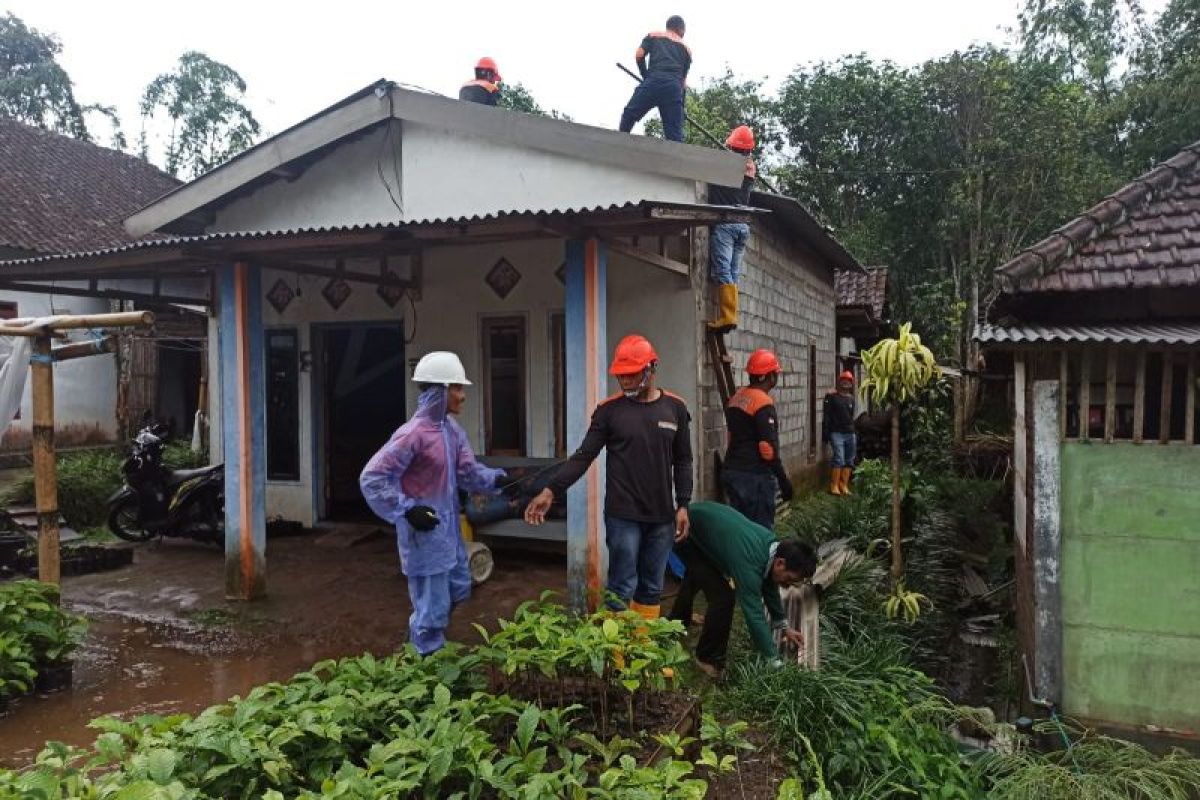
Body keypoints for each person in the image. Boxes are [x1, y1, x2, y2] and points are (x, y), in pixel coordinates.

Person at [525, 334, 692, 622]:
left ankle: (643, 656)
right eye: (621, 376)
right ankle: (618, 660)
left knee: (652, 587)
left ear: (651, 369)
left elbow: (683, 459)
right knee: (621, 586)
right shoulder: (609, 411)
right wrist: (551, 490)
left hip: (662, 516)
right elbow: (583, 456)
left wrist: (684, 504)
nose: (625, 381)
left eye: (631, 374)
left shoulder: (675, 408)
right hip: (623, 515)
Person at [359, 351, 506, 655]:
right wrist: (406, 509)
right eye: (457, 388)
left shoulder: (451, 431)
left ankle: (419, 640)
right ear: (439, 390)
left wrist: (500, 479)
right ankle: (426, 668)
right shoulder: (412, 435)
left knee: (456, 591)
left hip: (448, 532)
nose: (463, 396)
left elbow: (468, 472)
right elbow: (373, 478)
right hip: (423, 536)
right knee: (432, 605)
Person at [669, 501, 816, 676]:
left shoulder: (771, 547)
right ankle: (707, 657)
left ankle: (675, 622)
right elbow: (754, 614)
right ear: (780, 563)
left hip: (701, 527)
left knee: (699, 576)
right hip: (685, 532)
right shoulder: (749, 563)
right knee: (723, 597)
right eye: (790, 579)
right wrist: (774, 660)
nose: (789, 585)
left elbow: (769, 583)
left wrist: (783, 625)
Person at [722, 348, 794, 528]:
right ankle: (761, 557)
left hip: (732, 471)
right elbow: (768, 450)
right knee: (760, 531)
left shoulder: (736, 398)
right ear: (769, 376)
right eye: (775, 374)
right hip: (754, 478)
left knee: (739, 529)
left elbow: (731, 437)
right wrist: (784, 482)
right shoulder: (763, 403)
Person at [707, 125, 757, 332]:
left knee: (723, 270)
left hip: (726, 224)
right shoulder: (750, 167)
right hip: (742, 225)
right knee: (733, 272)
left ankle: (727, 316)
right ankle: (731, 314)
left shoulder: (725, 165)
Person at [618, 15, 691, 142]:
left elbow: (639, 55)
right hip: (673, 89)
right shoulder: (686, 49)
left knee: (629, 115)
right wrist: (681, 108)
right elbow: (683, 84)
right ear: (681, 30)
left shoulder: (654, 35)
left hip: (653, 81)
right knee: (675, 135)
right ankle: (675, 160)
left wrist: (646, 76)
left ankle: (618, 143)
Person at [823, 370, 859, 496]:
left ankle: (844, 485)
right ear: (839, 382)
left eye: (848, 381)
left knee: (849, 460)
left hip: (850, 433)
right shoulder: (832, 397)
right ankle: (834, 486)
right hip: (836, 433)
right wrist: (826, 433)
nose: (846, 383)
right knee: (839, 458)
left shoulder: (851, 399)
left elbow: (851, 415)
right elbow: (826, 415)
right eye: (843, 380)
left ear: (851, 384)